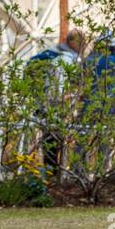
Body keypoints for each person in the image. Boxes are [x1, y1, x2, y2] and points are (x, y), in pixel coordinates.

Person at [27, 29, 88, 176]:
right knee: (52, 142)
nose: (83, 47)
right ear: (73, 43)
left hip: (42, 102)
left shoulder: (52, 52)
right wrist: (69, 96)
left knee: (50, 141)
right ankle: (51, 176)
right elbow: (57, 88)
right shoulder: (64, 59)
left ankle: (50, 174)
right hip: (51, 106)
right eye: (81, 43)